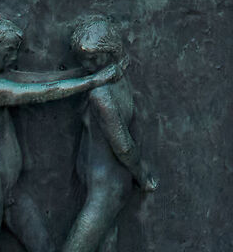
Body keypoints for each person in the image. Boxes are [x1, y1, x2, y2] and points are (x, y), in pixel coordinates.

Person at [0, 12, 123, 252]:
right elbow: (42, 92)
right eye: (8, 51)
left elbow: (36, 80)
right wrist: (93, 82)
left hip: (11, 188)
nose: (13, 58)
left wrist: (84, 73)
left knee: (44, 246)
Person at [58, 16, 158, 252]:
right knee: (106, 244)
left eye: (93, 59)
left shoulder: (101, 96)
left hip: (107, 188)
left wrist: (142, 175)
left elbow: (123, 145)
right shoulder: (115, 78)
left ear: (110, 51)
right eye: (84, 59)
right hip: (101, 183)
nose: (88, 65)